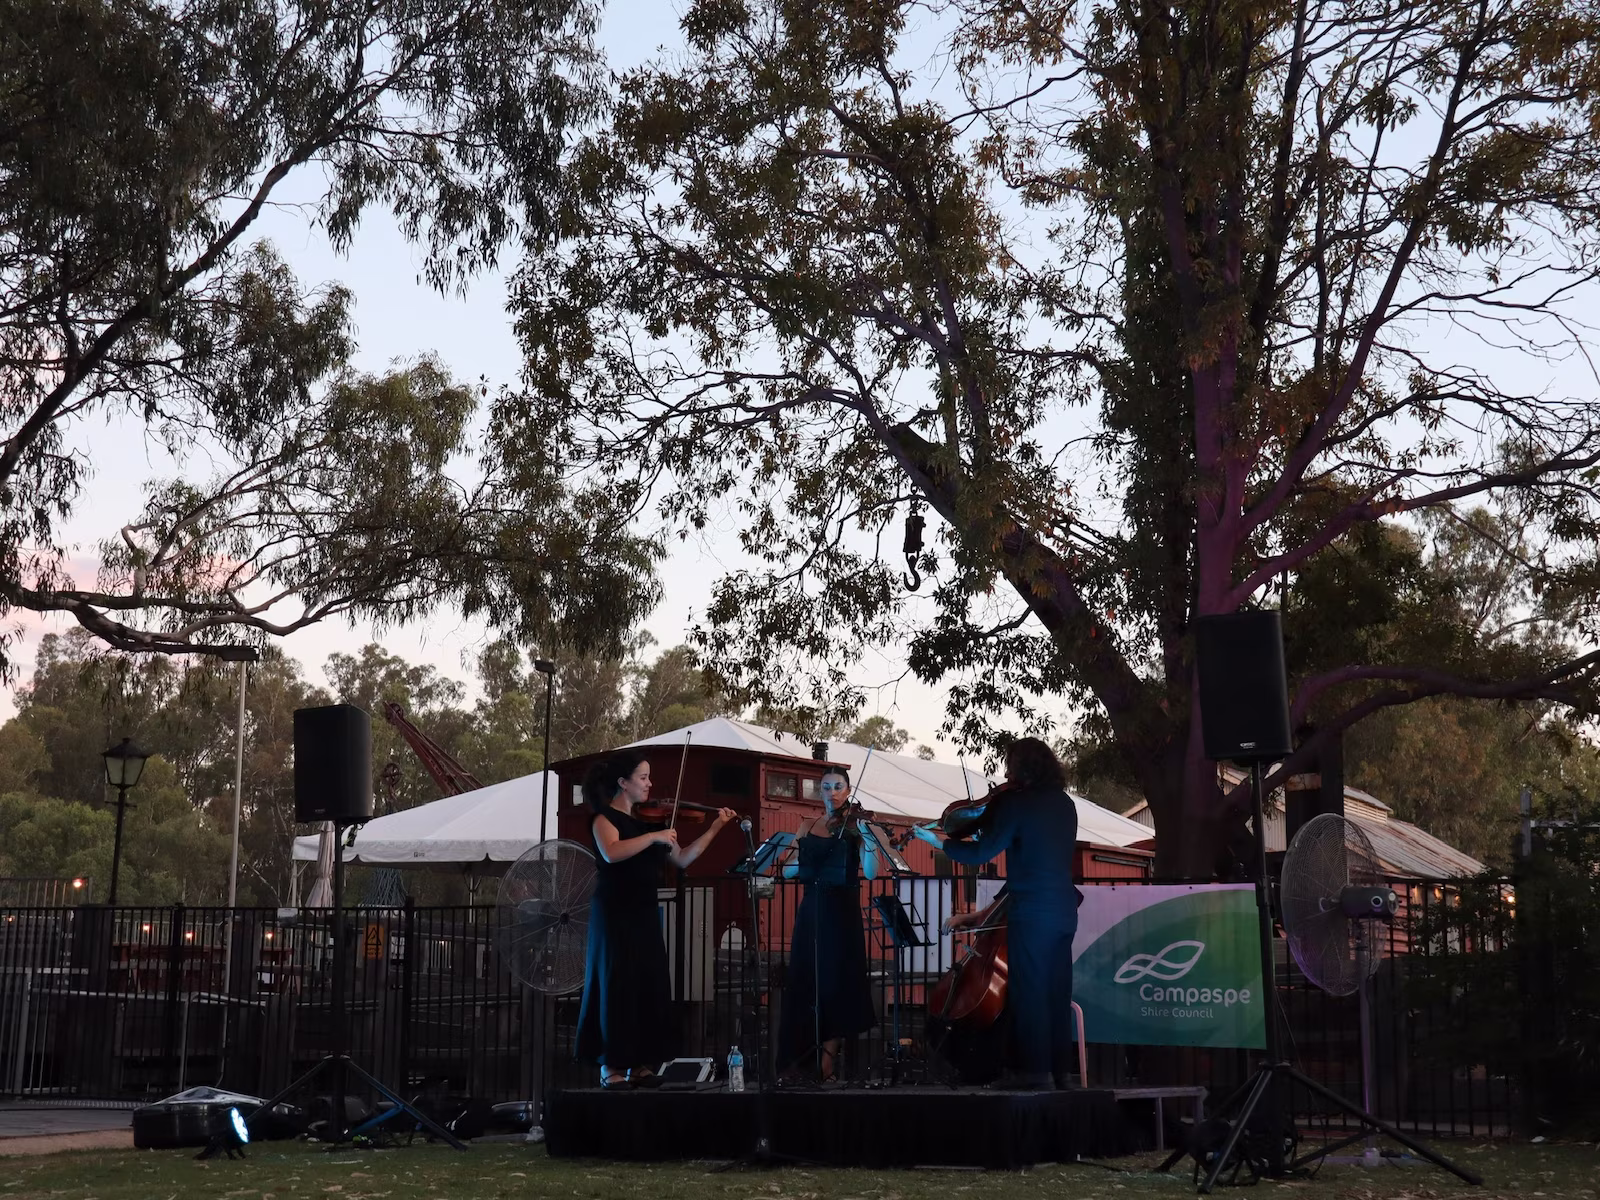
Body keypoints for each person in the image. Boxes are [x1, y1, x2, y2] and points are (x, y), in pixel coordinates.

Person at [913, 737, 1079, 1089]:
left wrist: (941, 843)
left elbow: (980, 854)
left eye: (1010, 765)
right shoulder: (1065, 804)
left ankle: (1035, 1075)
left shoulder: (1017, 804)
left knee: (1031, 991)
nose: (1005, 773)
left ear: (1020, 767)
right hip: (1065, 910)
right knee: (1057, 991)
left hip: (1032, 910)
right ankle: (1062, 1074)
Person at [574, 748, 737, 1088]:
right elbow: (612, 852)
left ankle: (639, 1064)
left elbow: (683, 858)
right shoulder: (604, 819)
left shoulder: (649, 823)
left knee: (646, 983)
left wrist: (715, 827)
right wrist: (653, 837)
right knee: (617, 983)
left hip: (645, 911)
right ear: (623, 783)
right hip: (615, 912)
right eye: (644, 777)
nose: (650, 784)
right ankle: (610, 1067)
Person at [778, 766, 880, 1082]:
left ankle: (827, 1062)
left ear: (848, 791)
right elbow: (786, 871)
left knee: (836, 982)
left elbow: (871, 872)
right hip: (812, 909)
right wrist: (804, 861)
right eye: (826, 787)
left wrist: (868, 836)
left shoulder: (855, 827)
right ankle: (801, 1061)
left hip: (842, 910)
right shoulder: (808, 825)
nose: (832, 793)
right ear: (819, 792)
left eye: (838, 787)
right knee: (807, 979)